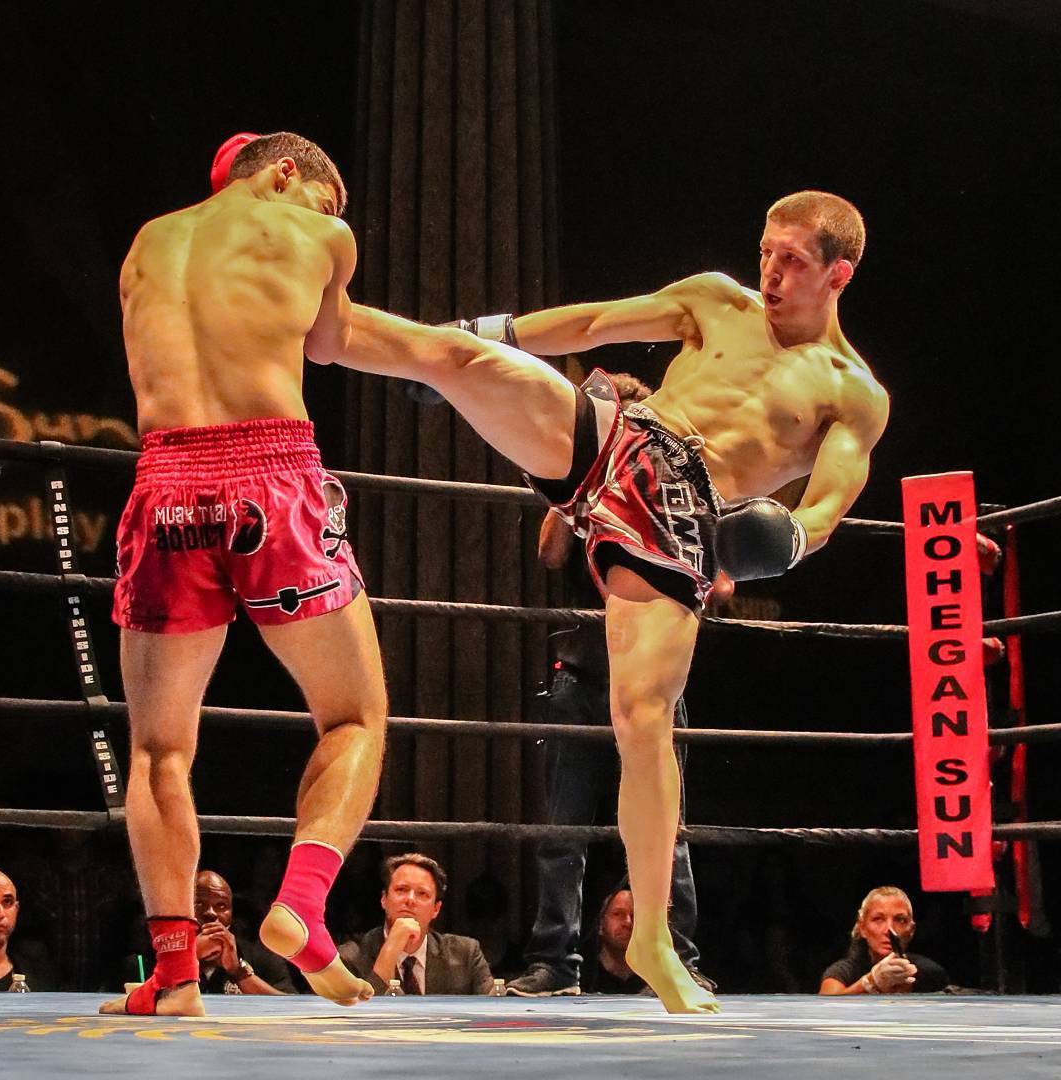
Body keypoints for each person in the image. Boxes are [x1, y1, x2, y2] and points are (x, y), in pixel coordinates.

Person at [335, 190, 886, 1013]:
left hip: (683, 514)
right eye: (766, 252)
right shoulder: (716, 300)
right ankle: (324, 324)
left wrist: (786, 540)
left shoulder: (855, 392)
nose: (771, 273)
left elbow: (827, 505)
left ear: (838, 274)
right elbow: (597, 324)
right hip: (620, 438)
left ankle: (654, 938)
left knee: (642, 721)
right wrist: (498, 330)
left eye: (793, 261)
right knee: (462, 355)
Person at [99, 131, 391, 1016]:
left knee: (157, 750)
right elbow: (332, 343)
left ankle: (175, 976)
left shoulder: (147, 243)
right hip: (272, 475)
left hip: (165, 487)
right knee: (355, 714)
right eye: (324, 199)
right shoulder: (321, 234)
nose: (328, 218)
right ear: (286, 173)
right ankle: (301, 905)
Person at [507, 372, 717, 998]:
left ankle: (675, 956)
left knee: (666, 824)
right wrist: (575, 484)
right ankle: (555, 963)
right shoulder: (580, 476)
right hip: (582, 669)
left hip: (653, 672)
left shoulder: (673, 485)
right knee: (564, 827)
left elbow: (722, 578)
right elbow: (549, 553)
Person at [339, 853, 494, 995]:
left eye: (422, 894)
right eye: (401, 890)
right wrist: (390, 949)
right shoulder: (350, 958)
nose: (411, 900)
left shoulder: (466, 954)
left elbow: (494, 1008)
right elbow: (362, 1012)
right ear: (384, 899)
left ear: (436, 909)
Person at [819, 886, 949, 994]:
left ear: (911, 930)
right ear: (862, 928)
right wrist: (870, 983)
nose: (889, 929)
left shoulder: (930, 973)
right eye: (878, 919)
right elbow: (826, 1007)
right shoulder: (843, 971)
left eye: (900, 920)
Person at [193, 871, 296, 995]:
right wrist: (189, 956)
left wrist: (238, 971)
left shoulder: (260, 956)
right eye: (198, 903)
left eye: (221, 905)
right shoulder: (170, 954)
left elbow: (290, 1004)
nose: (211, 912)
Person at [580, 887, 646, 994]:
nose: (628, 922)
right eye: (618, 914)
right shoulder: (582, 974)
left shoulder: (656, 977)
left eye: (634, 915)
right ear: (600, 924)